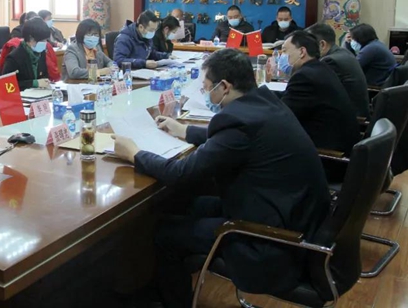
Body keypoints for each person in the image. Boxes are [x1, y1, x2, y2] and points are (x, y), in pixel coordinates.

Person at [112, 49, 330, 308]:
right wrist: (185, 130)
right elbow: (236, 141)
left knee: (165, 234)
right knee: (182, 204)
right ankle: (159, 281)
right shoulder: (264, 103)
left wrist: (135, 154)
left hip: (270, 241)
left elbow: (181, 173)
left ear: (224, 86)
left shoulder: (238, 123)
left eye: (206, 87)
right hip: (289, 216)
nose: (205, 93)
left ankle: (172, 300)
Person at [278, 31, 360, 154]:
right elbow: (290, 97)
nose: (281, 56)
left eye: (285, 51)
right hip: (340, 143)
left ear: (302, 52)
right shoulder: (320, 68)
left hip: (327, 154)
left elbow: (282, 117)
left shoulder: (304, 77)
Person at [306, 23, 370, 118]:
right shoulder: (342, 52)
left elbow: (315, 92)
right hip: (353, 112)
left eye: (308, 45)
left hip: (349, 118)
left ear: (322, 44)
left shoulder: (330, 61)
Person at [2, 16, 52, 90]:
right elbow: (7, 84)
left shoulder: (41, 53)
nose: (45, 43)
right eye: (42, 40)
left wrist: (45, 82)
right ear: (31, 38)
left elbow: (44, 75)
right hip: (21, 95)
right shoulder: (14, 58)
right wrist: (34, 83)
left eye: (46, 40)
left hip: (39, 93)